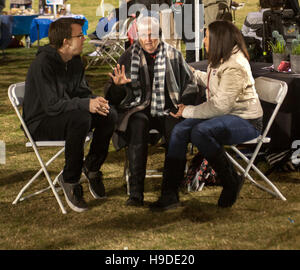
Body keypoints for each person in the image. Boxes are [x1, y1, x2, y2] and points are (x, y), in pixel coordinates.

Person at [150, 20, 263, 211]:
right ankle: (169, 193)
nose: (203, 41)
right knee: (179, 131)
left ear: (219, 40)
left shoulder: (235, 65)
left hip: (246, 120)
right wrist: (192, 73)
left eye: (207, 37)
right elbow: (214, 84)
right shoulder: (221, 57)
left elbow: (220, 107)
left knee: (200, 132)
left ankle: (231, 180)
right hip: (225, 114)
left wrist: (186, 110)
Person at [23, 17, 117, 212]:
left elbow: (82, 93)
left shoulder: (74, 61)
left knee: (108, 114)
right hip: (40, 122)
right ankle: (70, 178)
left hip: (64, 115)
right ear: (66, 41)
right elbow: (51, 105)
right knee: (80, 118)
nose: (84, 39)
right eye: (80, 35)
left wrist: (96, 101)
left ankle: (91, 168)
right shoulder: (43, 63)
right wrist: (85, 104)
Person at [105, 14, 198, 207]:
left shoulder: (173, 54)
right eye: (143, 34)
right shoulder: (128, 56)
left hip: (168, 107)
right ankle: (136, 193)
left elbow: (191, 84)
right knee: (138, 125)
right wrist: (118, 87)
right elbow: (112, 98)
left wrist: (183, 104)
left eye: (152, 34)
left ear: (160, 34)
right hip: (138, 108)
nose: (148, 39)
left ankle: (170, 192)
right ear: (137, 35)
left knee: (177, 132)